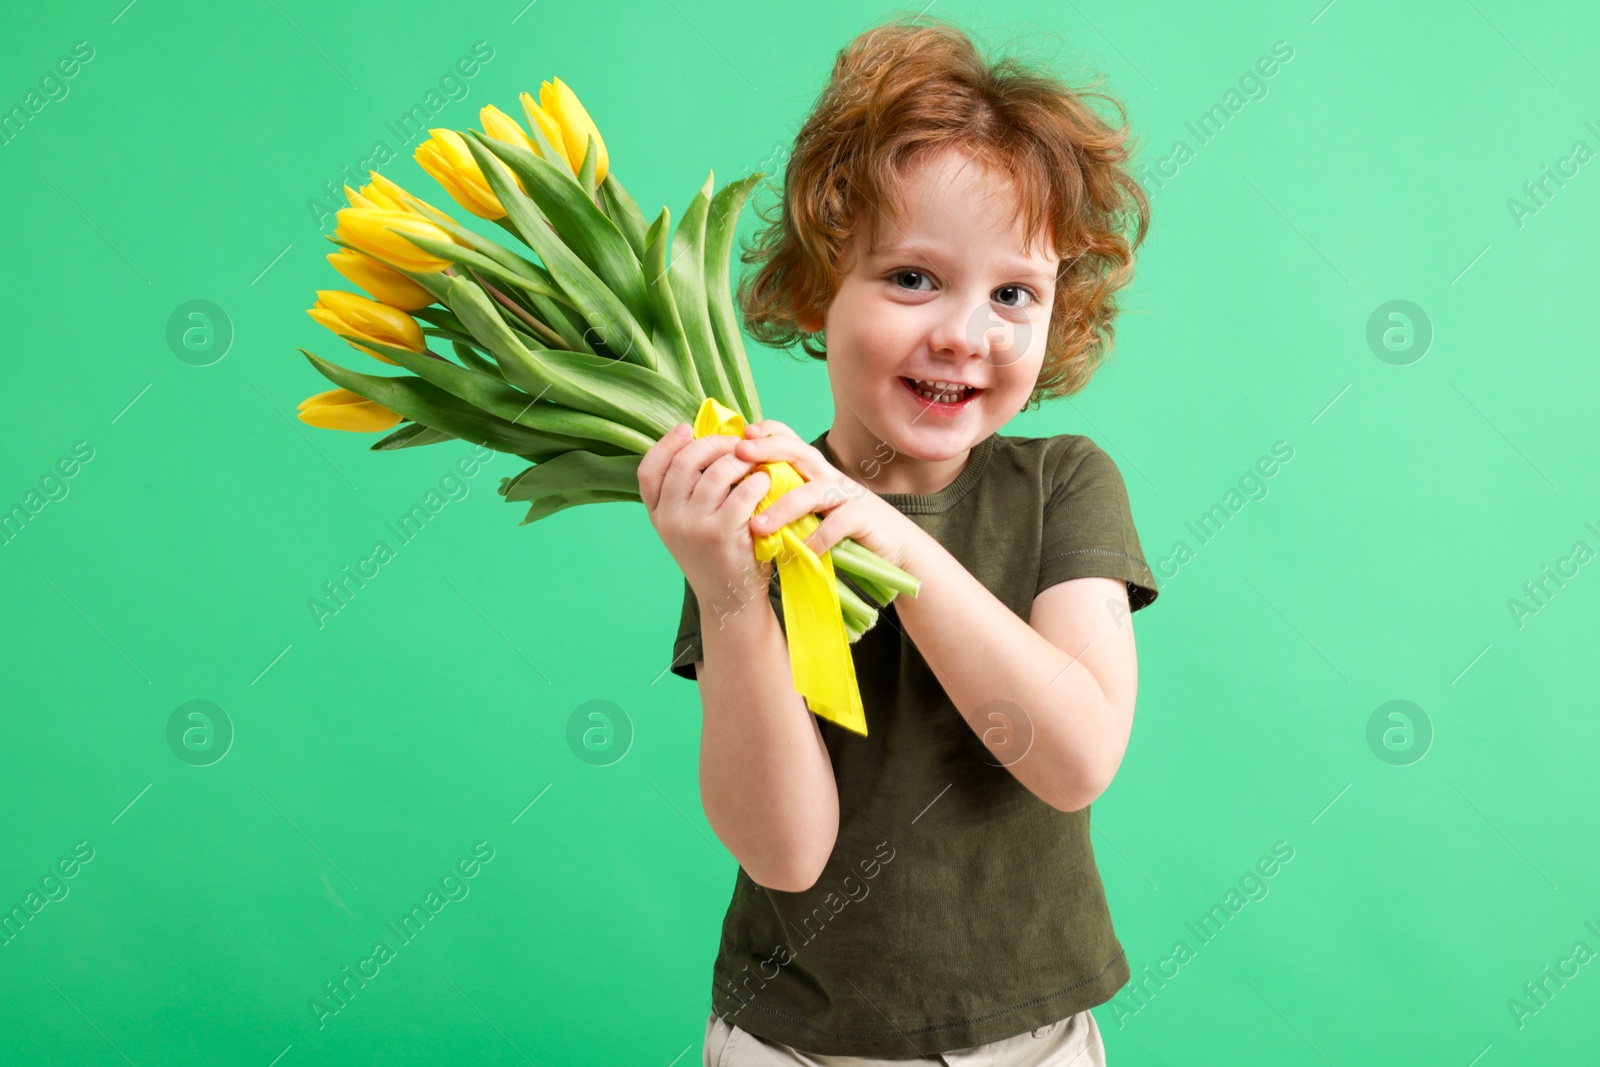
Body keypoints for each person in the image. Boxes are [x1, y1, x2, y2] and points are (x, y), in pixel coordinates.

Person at [636, 12, 1159, 1065]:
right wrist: (732, 593)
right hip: (793, 1041)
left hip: (1030, 1038)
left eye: (1013, 293)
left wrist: (888, 533)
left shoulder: (1065, 484)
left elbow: (1073, 756)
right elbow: (785, 851)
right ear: (819, 284)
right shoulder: (749, 514)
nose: (964, 332)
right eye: (913, 277)